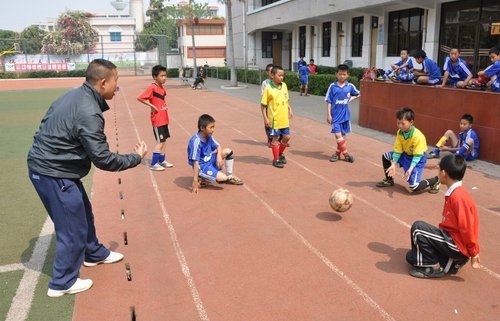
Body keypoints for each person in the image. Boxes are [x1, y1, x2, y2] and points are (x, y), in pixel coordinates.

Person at [27, 59, 148, 297]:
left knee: (83, 212)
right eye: (116, 82)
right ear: (103, 83)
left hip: (58, 169)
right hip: (52, 172)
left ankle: (93, 253)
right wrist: (136, 157)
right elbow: (103, 159)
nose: (117, 87)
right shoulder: (89, 111)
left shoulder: (75, 95)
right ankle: (62, 282)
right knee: (72, 228)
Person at [406, 154, 481, 278]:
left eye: (438, 170)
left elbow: (467, 228)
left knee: (418, 229)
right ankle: (450, 263)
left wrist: (474, 252)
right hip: (451, 239)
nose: (438, 173)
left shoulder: (459, 197)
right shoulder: (455, 193)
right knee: (411, 257)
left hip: (457, 244)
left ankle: (433, 267)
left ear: (444, 173)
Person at [376, 107, 440, 193]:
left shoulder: (417, 136)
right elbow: (398, 150)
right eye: (398, 123)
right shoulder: (400, 132)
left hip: (418, 159)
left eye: (403, 123)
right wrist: (393, 164)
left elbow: (417, 156)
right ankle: (389, 180)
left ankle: (434, 181)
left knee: (414, 187)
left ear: (411, 122)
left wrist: (410, 169)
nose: (400, 126)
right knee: (386, 156)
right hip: (406, 155)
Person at [187, 114, 244, 193]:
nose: (213, 130)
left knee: (228, 151)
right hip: (202, 167)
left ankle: (230, 176)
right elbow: (195, 162)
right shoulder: (196, 142)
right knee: (223, 178)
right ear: (202, 128)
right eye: (211, 127)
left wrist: (218, 157)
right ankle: (200, 177)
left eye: (214, 127)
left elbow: (218, 146)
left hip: (209, 160)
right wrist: (195, 180)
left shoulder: (208, 135)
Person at [137, 64, 173, 171]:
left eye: (165, 76)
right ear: (155, 77)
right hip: (157, 119)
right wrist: (152, 106)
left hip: (164, 118)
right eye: (162, 76)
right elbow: (140, 98)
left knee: (164, 140)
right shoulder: (152, 87)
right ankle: (153, 163)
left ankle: (162, 160)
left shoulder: (162, 88)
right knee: (160, 142)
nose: (164, 78)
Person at [324, 64, 360, 163]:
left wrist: (351, 98)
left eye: (344, 74)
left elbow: (358, 93)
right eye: (340, 74)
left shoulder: (350, 86)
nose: (342, 76)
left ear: (348, 75)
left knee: (343, 136)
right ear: (336, 74)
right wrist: (328, 114)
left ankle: (337, 154)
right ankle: (346, 154)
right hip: (335, 116)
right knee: (337, 135)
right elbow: (328, 101)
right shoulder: (332, 86)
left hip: (345, 115)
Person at [261, 65, 294, 168]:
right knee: (275, 139)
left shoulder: (284, 85)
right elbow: (263, 105)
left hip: (284, 119)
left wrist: (289, 109)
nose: (281, 77)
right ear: (272, 75)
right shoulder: (268, 88)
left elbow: (286, 98)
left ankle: (279, 153)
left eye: (282, 75)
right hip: (274, 119)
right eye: (279, 75)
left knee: (287, 137)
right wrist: (265, 118)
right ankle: (276, 160)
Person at [261, 63, 274, 147]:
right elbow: (263, 96)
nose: (272, 73)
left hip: (276, 106)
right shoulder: (265, 83)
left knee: (277, 123)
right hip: (268, 105)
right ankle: (270, 139)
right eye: (271, 71)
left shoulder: (278, 82)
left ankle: (279, 139)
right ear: (267, 72)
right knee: (268, 123)